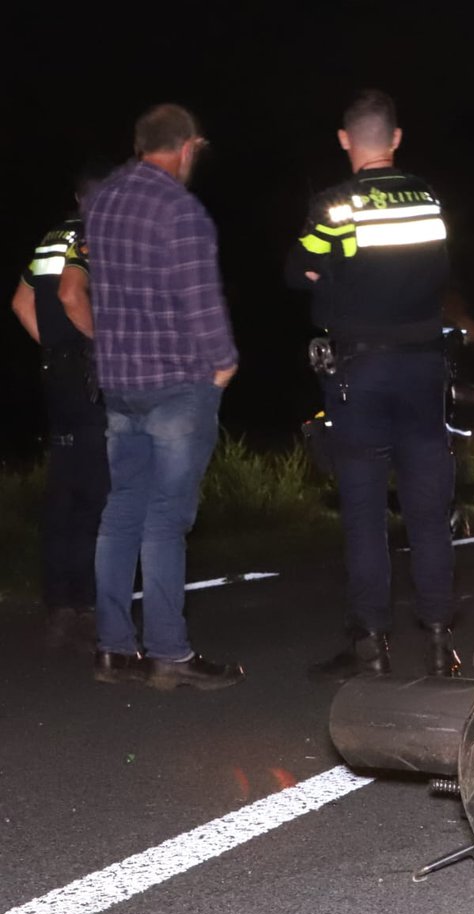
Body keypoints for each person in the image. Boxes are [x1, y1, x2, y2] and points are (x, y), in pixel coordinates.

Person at [288, 89, 459, 679]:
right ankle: (440, 641)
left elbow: (297, 270)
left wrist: (333, 272)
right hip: (424, 367)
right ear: (396, 138)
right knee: (428, 511)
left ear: (344, 140)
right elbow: (437, 267)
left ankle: (371, 646)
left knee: (364, 510)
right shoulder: (429, 196)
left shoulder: (335, 204)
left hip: (359, 370)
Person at [82, 104, 243, 689]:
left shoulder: (102, 202)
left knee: (121, 510)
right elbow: (201, 300)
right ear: (187, 148)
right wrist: (223, 365)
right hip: (176, 383)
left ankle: (112, 647)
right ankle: (169, 654)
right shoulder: (181, 210)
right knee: (165, 519)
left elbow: (102, 294)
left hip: (120, 384)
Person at [11, 169, 109, 652]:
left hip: (57, 375)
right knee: (96, 492)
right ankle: (87, 604)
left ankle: (59, 605)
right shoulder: (96, 233)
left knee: (64, 490)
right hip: (88, 377)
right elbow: (73, 295)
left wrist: (53, 350)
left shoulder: (53, 236)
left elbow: (20, 301)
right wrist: (102, 348)